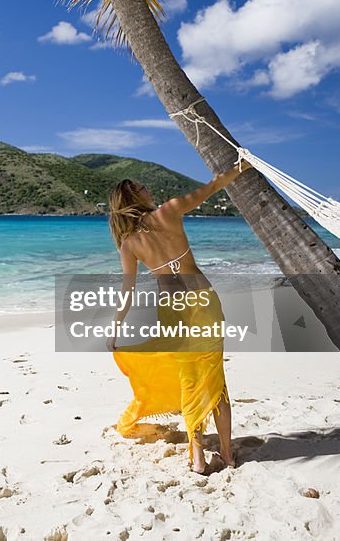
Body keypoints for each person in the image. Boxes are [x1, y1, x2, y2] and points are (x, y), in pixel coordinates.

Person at [106, 160, 251, 474]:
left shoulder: (129, 244)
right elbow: (212, 187)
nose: (148, 189)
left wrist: (115, 327)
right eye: (141, 188)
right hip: (203, 302)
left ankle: (198, 458)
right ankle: (227, 454)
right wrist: (239, 168)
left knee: (190, 383)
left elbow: (127, 291)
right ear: (134, 198)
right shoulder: (170, 211)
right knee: (217, 383)